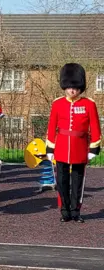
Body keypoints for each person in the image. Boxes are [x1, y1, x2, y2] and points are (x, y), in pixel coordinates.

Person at [46, 63, 101, 223]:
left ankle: (75, 211)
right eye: (69, 87)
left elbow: (95, 127)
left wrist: (94, 147)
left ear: (80, 87)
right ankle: (65, 211)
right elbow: (51, 127)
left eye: (75, 87)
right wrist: (50, 148)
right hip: (62, 146)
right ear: (65, 86)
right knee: (62, 182)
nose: (72, 90)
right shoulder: (57, 104)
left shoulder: (89, 104)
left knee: (78, 182)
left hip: (80, 147)